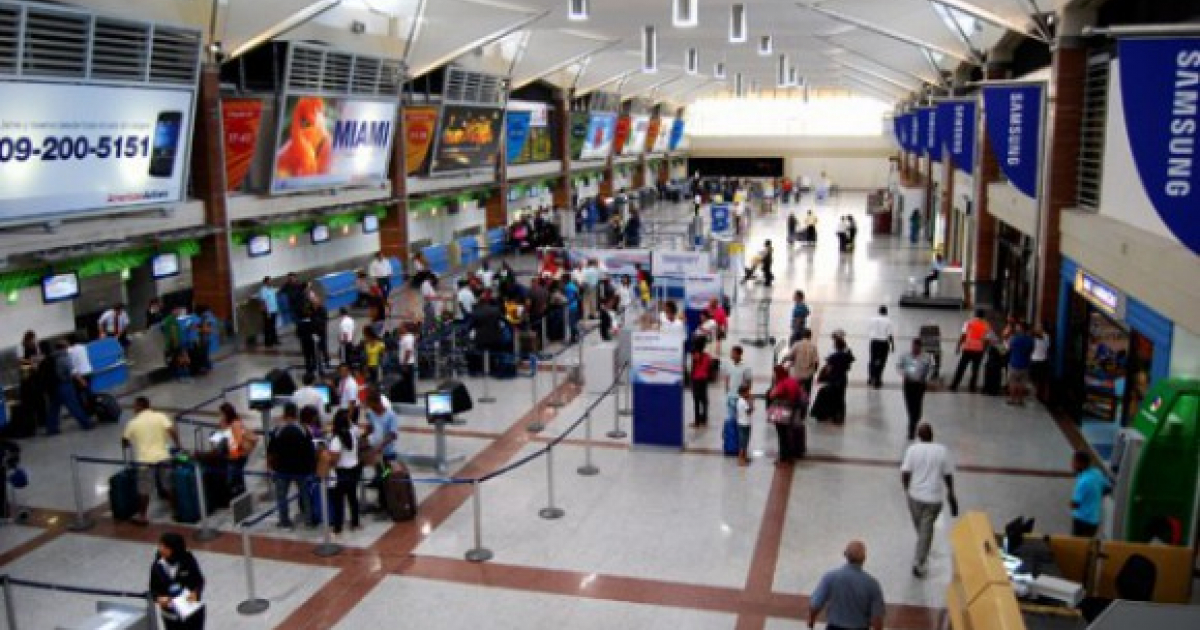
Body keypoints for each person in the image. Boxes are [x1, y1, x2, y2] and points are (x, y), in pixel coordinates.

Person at [901, 422, 959, 577]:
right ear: (932, 435)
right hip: (934, 498)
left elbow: (905, 472)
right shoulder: (942, 450)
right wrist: (951, 492)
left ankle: (919, 562)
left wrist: (906, 489)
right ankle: (922, 551)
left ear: (919, 436)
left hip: (915, 497)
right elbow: (948, 474)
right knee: (924, 530)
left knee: (923, 528)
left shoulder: (912, 450)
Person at [122, 397, 180, 525]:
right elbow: (171, 431)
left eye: (134, 406)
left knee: (144, 489)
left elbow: (125, 441)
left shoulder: (133, 423)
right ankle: (176, 512)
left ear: (138, 407)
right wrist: (178, 445)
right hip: (163, 456)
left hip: (145, 460)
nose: (133, 409)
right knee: (168, 485)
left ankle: (142, 516)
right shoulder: (160, 416)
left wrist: (127, 443)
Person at [807, 540, 886, 630]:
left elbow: (815, 604)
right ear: (864, 558)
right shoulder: (872, 584)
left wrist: (811, 620)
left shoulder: (830, 577)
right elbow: (877, 616)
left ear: (845, 554)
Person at [266, 402, 316, 530]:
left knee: (282, 496)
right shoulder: (303, 430)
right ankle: (309, 521)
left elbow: (270, 451)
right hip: (302, 469)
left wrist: (270, 467)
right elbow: (311, 451)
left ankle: (284, 521)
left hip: (282, 469)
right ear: (296, 414)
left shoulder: (278, 430)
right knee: (305, 495)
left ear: (284, 414)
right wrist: (311, 468)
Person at [150, 532, 206, 630]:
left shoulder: (188, 560)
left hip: (191, 611)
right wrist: (159, 599)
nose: (161, 549)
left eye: (165, 547)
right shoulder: (157, 566)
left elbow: (199, 581)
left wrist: (195, 593)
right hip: (170, 614)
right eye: (161, 546)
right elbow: (153, 589)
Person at [46, 341, 94, 435]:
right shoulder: (64, 358)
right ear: (64, 347)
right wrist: (82, 381)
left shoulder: (52, 357)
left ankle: (52, 428)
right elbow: (73, 371)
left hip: (54, 386)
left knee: (54, 408)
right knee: (74, 405)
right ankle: (86, 423)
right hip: (65, 384)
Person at [326, 409, 361, 535]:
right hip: (354, 470)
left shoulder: (336, 440)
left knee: (338, 501)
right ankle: (355, 522)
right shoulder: (353, 433)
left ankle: (338, 526)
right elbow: (357, 430)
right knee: (352, 498)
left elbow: (334, 460)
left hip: (341, 473)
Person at [896, 339, 933, 440]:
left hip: (920, 385)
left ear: (920, 347)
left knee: (917, 407)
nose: (914, 349)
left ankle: (914, 421)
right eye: (913, 347)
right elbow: (899, 366)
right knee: (910, 406)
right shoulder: (905, 356)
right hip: (908, 384)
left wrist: (926, 378)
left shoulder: (927, 357)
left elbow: (931, 369)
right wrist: (903, 373)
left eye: (917, 347)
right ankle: (911, 429)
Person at [814, 335, 855, 424]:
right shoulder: (847, 356)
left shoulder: (833, 357)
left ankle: (829, 414)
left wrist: (823, 376)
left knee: (830, 395)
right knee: (841, 397)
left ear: (836, 346)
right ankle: (840, 417)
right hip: (843, 378)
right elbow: (849, 366)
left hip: (833, 379)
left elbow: (828, 369)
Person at [216, 403, 254, 497]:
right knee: (237, 478)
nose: (219, 416)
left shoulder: (235, 424)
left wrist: (231, 455)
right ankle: (240, 496)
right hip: (233, 456)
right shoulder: (227, 423)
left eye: (221, 414)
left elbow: (237, 443)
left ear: (226, 414)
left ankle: (239, 497)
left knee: (234, 480)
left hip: (236, 457)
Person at [768, 365, 804, 464]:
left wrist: (774, 388)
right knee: (789, 434)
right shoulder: (793, 381)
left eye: (775, 374)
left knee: (782, 435)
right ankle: (791, 456)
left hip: (781, 411)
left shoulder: (782, 383)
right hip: (792, 410)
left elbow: (772, 395)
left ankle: (783, 457)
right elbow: (799, 394)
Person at [949, 310, 992, 393]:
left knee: (961, 368)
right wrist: (985, 349)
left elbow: (963, 335)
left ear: (975, 315)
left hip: (968, 348)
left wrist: (958, 346)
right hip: (979, 350)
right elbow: (987, 339)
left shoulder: (968, 322)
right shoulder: (986, 325)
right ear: (983, 316)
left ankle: (954, 385)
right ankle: (972, 388)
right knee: (975, 370)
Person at [1070, 450, 1110, 537]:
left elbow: (1075, 504)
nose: (1072, 464)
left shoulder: (1083, 482)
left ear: (1081, 463)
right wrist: (1096, 496)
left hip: (1081, 520)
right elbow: (1108, 488)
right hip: (1094, 520)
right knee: (1088, 544)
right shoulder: (1097, 473)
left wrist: (1070, 504)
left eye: (1074, 461)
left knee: (1076, 545)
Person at [787, 330, 820, 419]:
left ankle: (795, 409)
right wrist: (814, 371)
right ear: (810, 336)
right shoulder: (813, 347)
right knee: (806, 393)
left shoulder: (797, 345)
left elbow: (790, 356)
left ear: (802, 336)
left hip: (797, 374)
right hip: (808, 375)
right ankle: (803, 412)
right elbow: (816, 361)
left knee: (795, 392)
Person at [1006, 321, 1035, 406]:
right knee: (1022, 383)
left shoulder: (1014, 338)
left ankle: (1012, 399)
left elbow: (1009, 348)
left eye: (1018, 327)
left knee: (1013, 382)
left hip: (1014, 363)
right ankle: (1020, 400)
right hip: (1025, 364)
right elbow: (1031, 351)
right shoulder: (1030, 340)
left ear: (1021, 328)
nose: (1016, 328)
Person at [866, 305, 895, 388]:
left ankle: (871, 377)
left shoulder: (872, 319)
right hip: (883, 343)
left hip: (874, 342)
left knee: (872, 360)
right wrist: (892, 345)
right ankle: (878, 379)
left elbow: (869, 330)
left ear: (879, 311)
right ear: (886, 312)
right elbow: (889, 334)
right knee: (881, 361)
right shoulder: (888, 321)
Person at [690, 337, 714, 427]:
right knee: (704, 399)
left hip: (696, 380)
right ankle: (704, 419)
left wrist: (690, 379)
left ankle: (696, 421)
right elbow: (709, 368)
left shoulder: (695, 355)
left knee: (696, 400)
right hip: (704, 379)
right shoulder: (707, 356)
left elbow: (693, 369)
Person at [1030, 324, 1051, 401]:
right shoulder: (1046, 338)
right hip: (1043, 361)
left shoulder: (1033, 340)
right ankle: (1042, 395)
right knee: (1042, 379)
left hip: (1035, 360)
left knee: (1035, 379)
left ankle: (1037, 394)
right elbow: (1048, 348)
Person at [735, 382, 754, 467]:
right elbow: (749, 411)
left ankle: (745, 456)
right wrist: (751, 402)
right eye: (747, 392)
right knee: (743, 442)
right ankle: (740, 459)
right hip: (743, 424)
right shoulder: (742, 402)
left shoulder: (741, 400)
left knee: (746, 441)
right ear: (742, 393)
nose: (749, 393)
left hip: (745, 423)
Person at [258, 277, 280, 347]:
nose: (270, 282)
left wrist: (277, 309)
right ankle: (268, 342)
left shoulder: (271, 289)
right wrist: (267, 312)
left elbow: (273, 300)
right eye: (269, 281)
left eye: (271, 281)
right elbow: (263, 302)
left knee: (273, 326)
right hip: (268, 311)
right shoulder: (263, 290)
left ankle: (275, 340)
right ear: (265, 282)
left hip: (274, 310)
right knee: (268, 327)